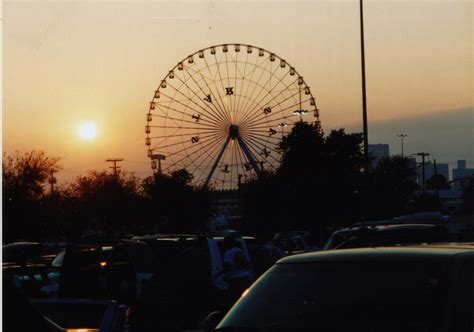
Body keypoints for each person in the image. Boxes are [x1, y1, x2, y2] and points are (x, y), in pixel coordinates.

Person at [222, 236, 253, 306]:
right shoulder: (240, 250)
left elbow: (228, 266)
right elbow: (247, 263)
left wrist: (223, 274)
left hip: (236, 280)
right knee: (246, 300)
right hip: (246, 278)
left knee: (235, 303)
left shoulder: (228, 252)